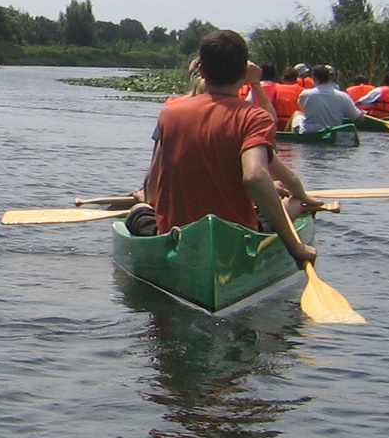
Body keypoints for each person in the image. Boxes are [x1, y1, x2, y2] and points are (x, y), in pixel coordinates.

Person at [132, 29, 319, 266]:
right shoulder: (254, 117)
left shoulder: (170, 114)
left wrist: (145, 199)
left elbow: (153, 184)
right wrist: (295, 248)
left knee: (139, 209)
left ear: (201, 71)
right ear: (244, 72)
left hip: (177, 234)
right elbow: (254, 176)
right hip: (237, 237)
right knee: (291, 204)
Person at [296, 64, 362, 132]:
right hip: (333, 132)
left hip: (311, 133)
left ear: (313, 78)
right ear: (329, 78)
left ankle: (288, 137)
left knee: (297, 113)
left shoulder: (306, 94)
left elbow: (301, 106)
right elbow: (359, 118)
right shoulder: (343, 96)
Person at [271, 67, 304, 131]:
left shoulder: (275, 89)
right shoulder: (302, 91)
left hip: (278, 123)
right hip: (294, 123)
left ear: (282, 78)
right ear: (296, 79)